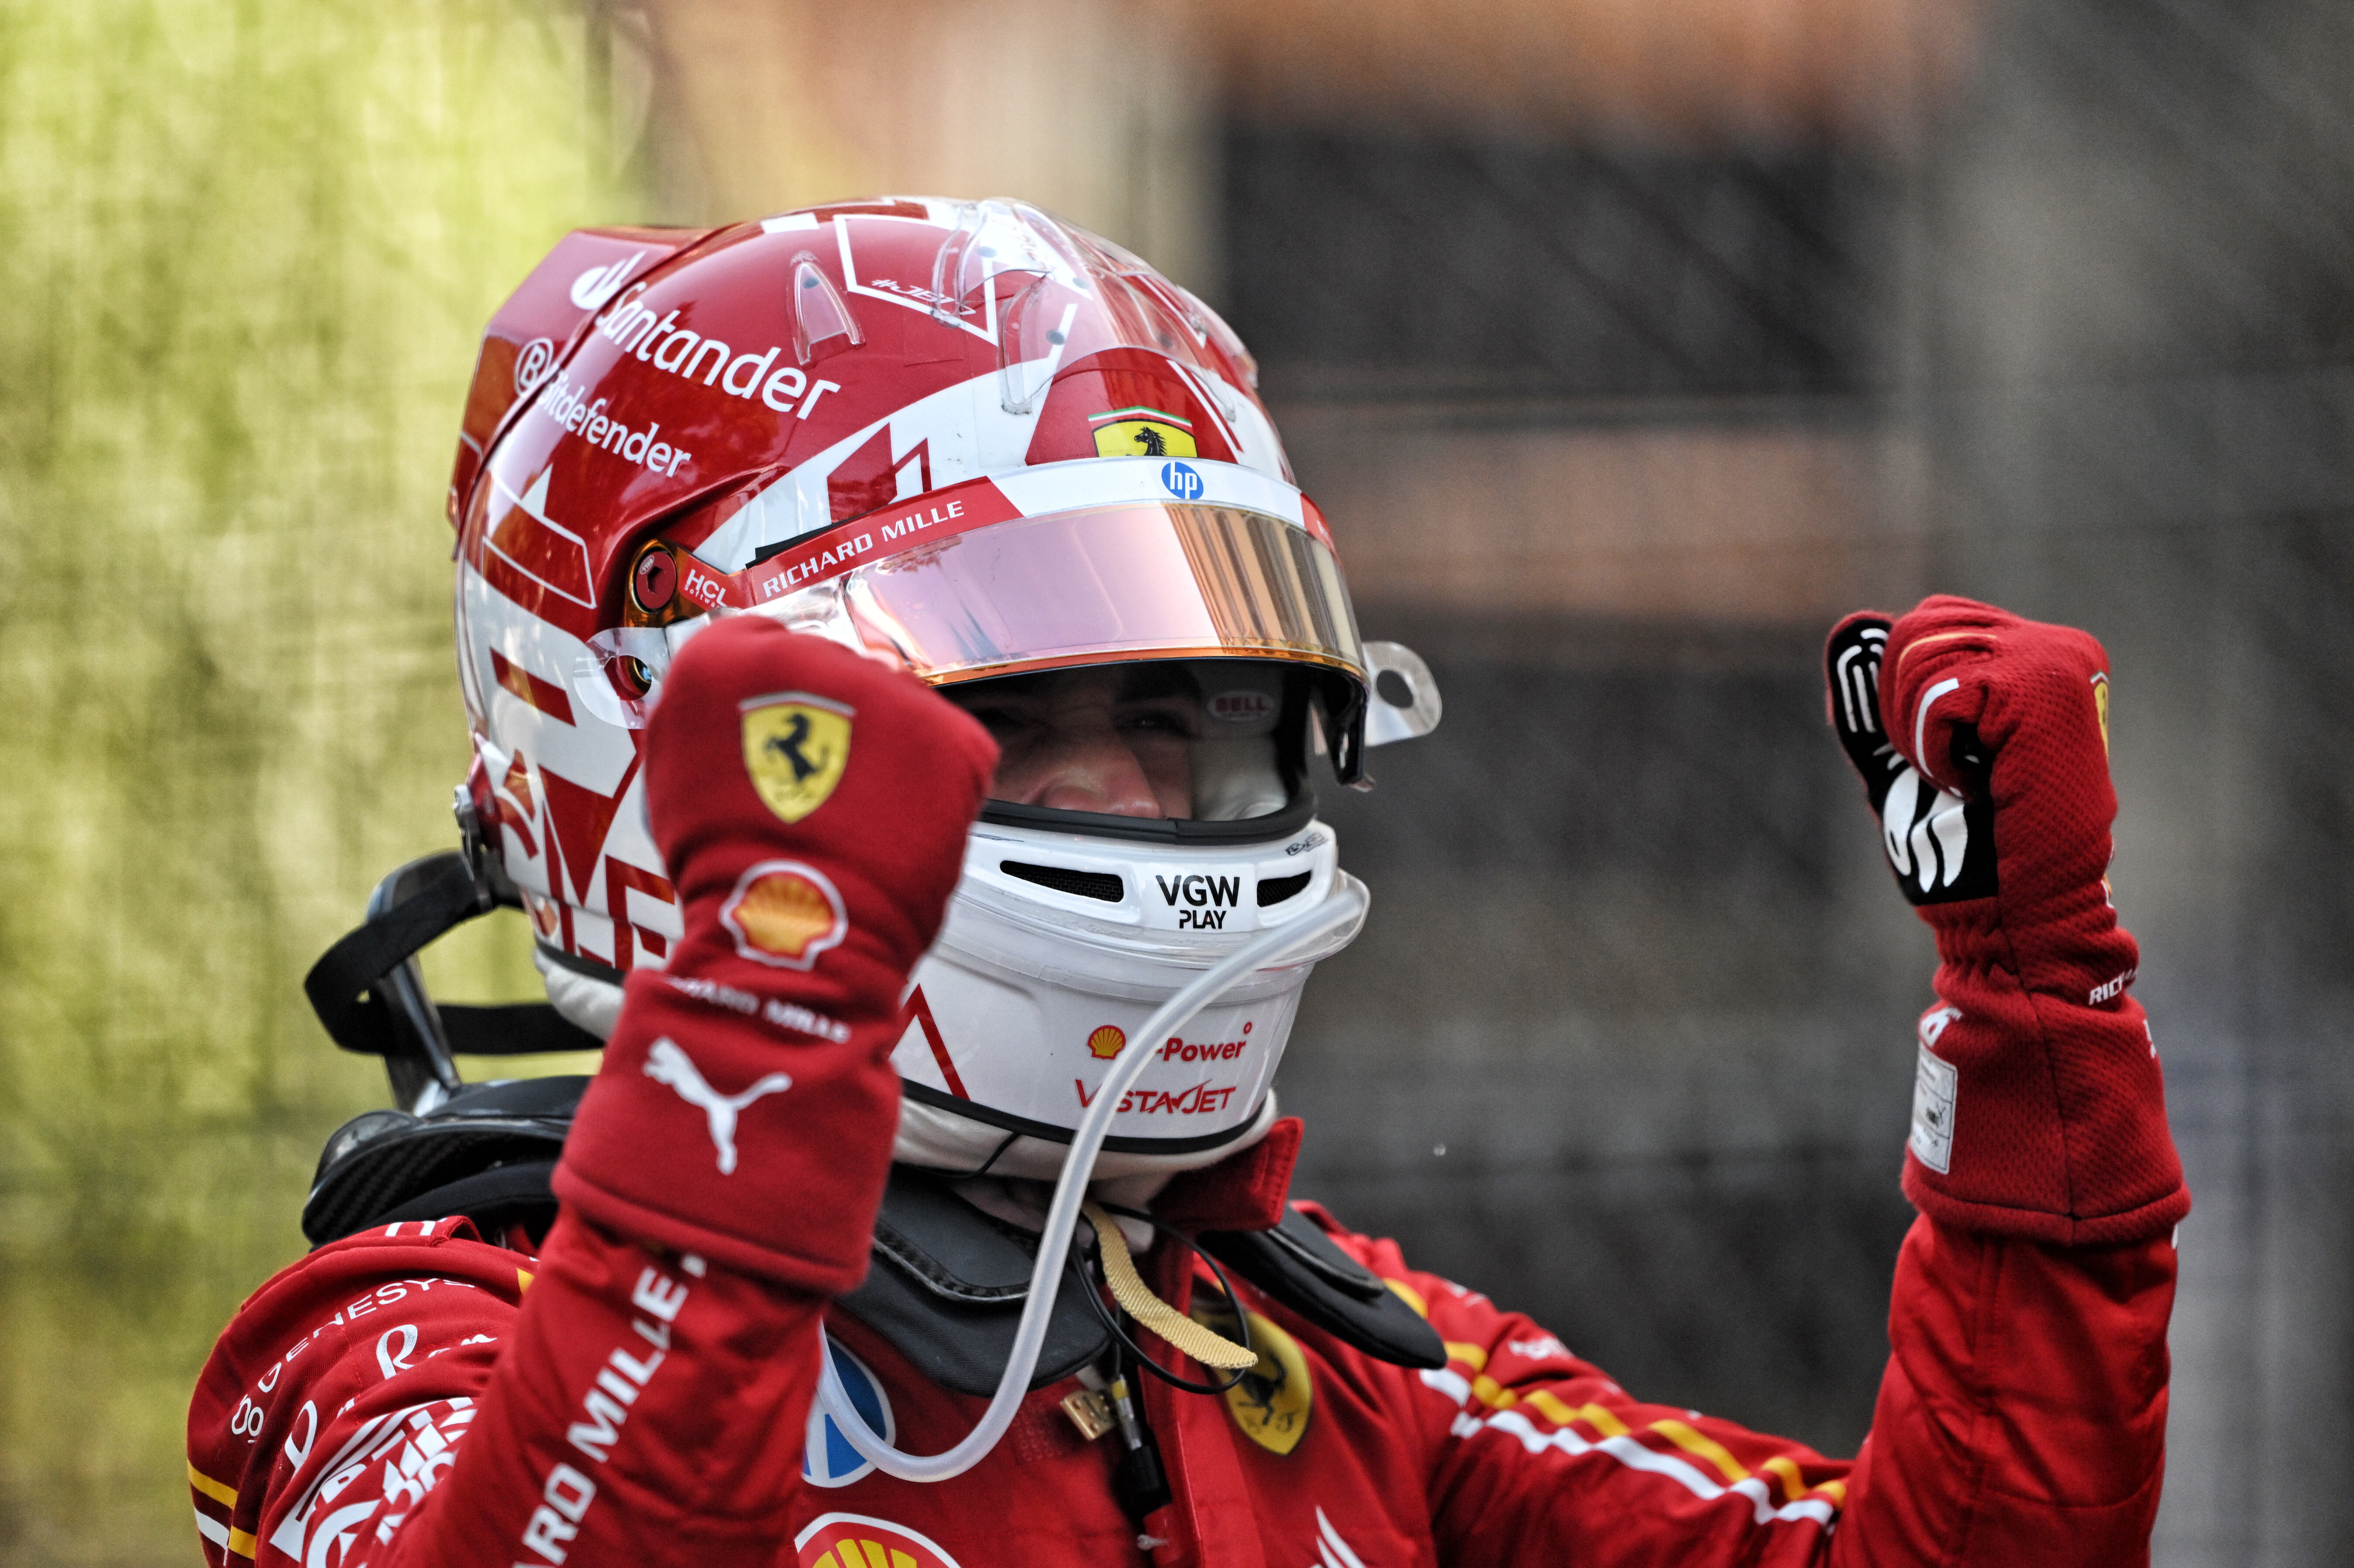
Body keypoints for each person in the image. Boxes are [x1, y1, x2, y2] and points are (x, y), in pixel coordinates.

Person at [187, 198, 2186, 1568]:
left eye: (1209, 717)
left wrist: (2033, 1011)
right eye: (1049, 721)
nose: (1155, 801)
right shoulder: (396, 1343)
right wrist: (759, 1034)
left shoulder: (1320, 1355)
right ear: (672, 740)